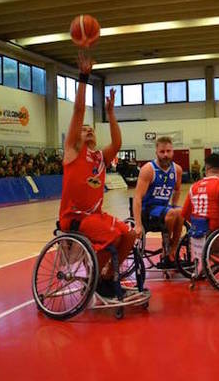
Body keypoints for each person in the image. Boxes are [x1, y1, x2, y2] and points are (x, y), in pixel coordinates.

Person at [58, 51, 137, 298]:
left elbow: (117, 143)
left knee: (130, 234)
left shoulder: (100, 157)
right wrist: (84, 77)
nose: (88, 130)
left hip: (96, 215)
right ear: (75, 136)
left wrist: (111, 113)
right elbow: (79, 111)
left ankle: (105, 276)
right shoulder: (72, 152)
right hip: (74, 218)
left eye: (91, 128)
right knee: (113, 236)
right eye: (83, 129)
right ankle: (96, 276)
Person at [133, 136, 184, 269]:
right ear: (156, 152)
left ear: (173, 152)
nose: (166, 155)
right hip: (147, 210)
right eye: (162, 152)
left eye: (168, 151)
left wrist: (173, 204)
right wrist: (137, 224)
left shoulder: (177, 169)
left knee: (181, 211)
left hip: (164, 210)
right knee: (173, 213)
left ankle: (172, 249)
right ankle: (166, 249)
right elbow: (137, 197)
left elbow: (177, 190)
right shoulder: (148, 169)